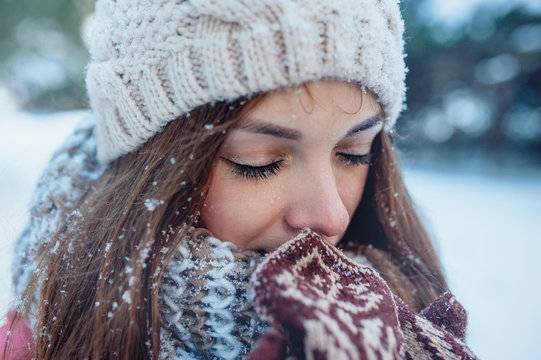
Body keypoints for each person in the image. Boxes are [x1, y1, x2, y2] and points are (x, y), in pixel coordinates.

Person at [1, 0, 478, 359]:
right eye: (259, 161)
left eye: (353, 153)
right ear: (150, 173)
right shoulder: (44, 340)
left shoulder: (411, 320)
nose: (329, 214)